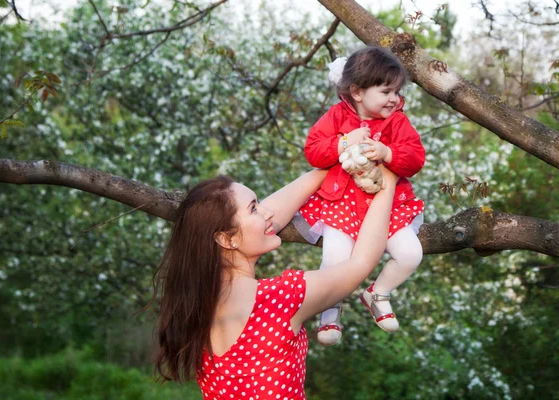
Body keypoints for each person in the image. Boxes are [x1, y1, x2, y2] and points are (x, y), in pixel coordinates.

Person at [151, 165, 398, 399]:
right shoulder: (278, 300)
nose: (267, 211)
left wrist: (333, 162)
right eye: (254, 208)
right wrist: (387, 179)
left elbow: (258, 222)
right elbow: (361, 262)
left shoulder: (197, 306)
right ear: (226, 239)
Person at [295, 46, 426, 346]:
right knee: (335, 258)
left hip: (385, 208)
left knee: (410, 254)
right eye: (385, 91)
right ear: (357, 91)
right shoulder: (336, 117)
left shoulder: (398, 122)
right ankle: (329, 309)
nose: (394, 98)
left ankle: (377, 293)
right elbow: (313, 151)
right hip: (342, 204)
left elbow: (416, 157)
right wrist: (343, 142)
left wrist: (388, 152)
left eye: (397, 91)